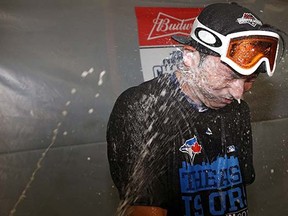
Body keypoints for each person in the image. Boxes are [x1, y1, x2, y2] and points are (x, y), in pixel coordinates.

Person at [107, 2, 285, 216]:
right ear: (190, 56)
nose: (239, 93)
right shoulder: (143, 108)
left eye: (250, 79)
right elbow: (142, 209)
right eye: (230, 76)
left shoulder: (238, 111)